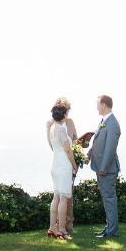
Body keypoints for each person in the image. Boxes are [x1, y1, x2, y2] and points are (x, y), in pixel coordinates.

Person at [89, 94, 121, 239]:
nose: (96, 107)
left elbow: (110, 148)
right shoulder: (104, 121)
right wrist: (88, 155)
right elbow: (97, 143)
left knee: (109, 199)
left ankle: (112, 231)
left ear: (104, 105)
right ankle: (108, 228)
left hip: (106, 170)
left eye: (97, 104)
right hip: (100, 168)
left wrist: (103, 167)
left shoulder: (113, 124)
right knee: (106, 199)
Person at [46, 97, 78, 234]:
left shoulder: (52, 128)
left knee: (56, 198)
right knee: (64, 199)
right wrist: (74, 164)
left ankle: (52, 227)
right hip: (64, 165)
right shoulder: (61, 129)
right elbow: (68, 150)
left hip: (55, 164)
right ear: (64, 114)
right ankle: (61, 229)